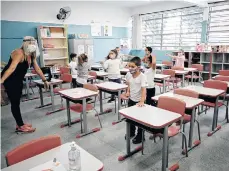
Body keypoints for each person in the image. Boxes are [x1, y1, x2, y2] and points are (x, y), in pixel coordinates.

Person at [0, 36, 49, 133]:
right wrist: (1, 81)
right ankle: (20, 126)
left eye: (34, 43)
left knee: (16, 102)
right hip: (9, 80)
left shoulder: (31, 54)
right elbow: (12, 68)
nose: (34, 45)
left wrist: (44, 80)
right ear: (26, 43)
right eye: (32, 43)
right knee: (15, 103)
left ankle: (19, 123)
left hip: (17, 80)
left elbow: (37, 68)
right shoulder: (19, 52)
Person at [125, 57, 148, 144]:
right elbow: (129, 84)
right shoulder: (128, 75)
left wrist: (142, 101)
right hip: (131, 99)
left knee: (140, 120)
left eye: (132, 66)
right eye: (129, 66)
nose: (130, 68)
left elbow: (143, 90)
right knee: (130, 118)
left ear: (138, 67)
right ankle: (131, 132)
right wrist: (127, 92)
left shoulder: (142, 76)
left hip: (139, 101)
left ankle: (140, 136)